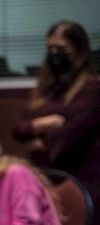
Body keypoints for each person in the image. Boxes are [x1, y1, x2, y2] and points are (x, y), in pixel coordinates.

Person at [13, 21, 100, 208]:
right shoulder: (47, 89)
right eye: (50, 48)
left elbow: (71, 135)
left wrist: (38, 140)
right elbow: (18, 129)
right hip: (45, 178)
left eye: (61, 48)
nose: (55, 54)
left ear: (79, 51)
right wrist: (39, 125)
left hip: (79, 180)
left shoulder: (91, 89)